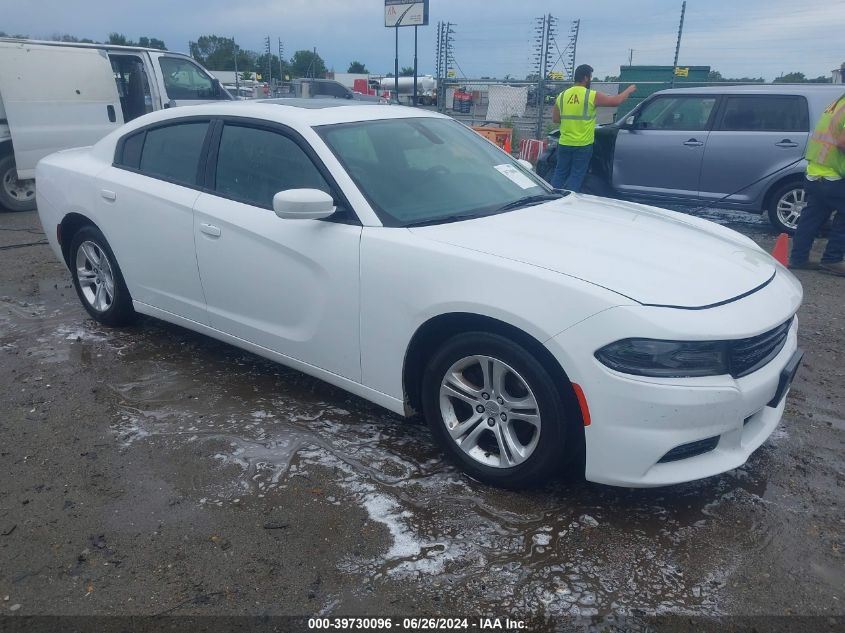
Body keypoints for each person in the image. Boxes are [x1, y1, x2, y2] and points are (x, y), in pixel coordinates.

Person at [550, 64, 636, 192]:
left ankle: (553, 198)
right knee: (576, 175)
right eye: (590, 77)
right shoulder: (590, 95)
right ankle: (569, 201)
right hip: (583, 145)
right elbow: (615, 101)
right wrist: (629, 90)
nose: (591, 80)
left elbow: (556, 119)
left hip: (564, 143)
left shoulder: (562, 95)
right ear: (585, 78)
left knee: (560, 173)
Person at [789, 92, 845, 276]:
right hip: (832, 174)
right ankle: (832, 259)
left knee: (812, 217)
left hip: (816, 172)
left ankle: (798, 258)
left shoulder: (836, 103)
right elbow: (843, 141)